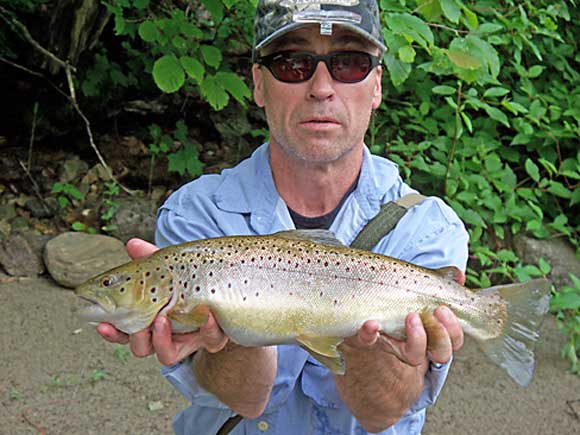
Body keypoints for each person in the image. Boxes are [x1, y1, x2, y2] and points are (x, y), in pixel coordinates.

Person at [97, 1, 469, 433]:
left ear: (377, 86)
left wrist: (365, 338)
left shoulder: (428, 226)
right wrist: (230, 336)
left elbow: (382, 413)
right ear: (258, 83)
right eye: (294, 64)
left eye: (349, 63)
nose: (322, 88)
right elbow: (245, 400)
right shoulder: (195, 215)